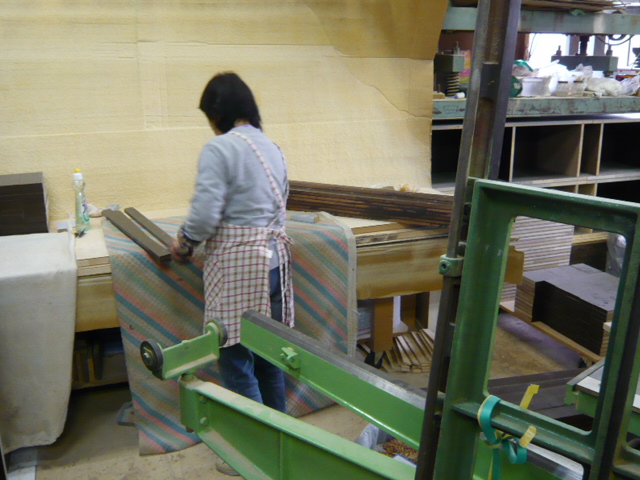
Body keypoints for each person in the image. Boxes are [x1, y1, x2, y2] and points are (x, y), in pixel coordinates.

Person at [170, 72, 294, 476]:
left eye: (209, 117)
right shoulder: (271, 146)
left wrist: (185, 242)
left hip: (241, 267)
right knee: (269, 359)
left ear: (218, 114)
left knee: (235, 360)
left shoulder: (220, 147)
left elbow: (205, 214)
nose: (210, 125)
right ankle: (281, 446)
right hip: (274, 263)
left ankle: (253, 453)